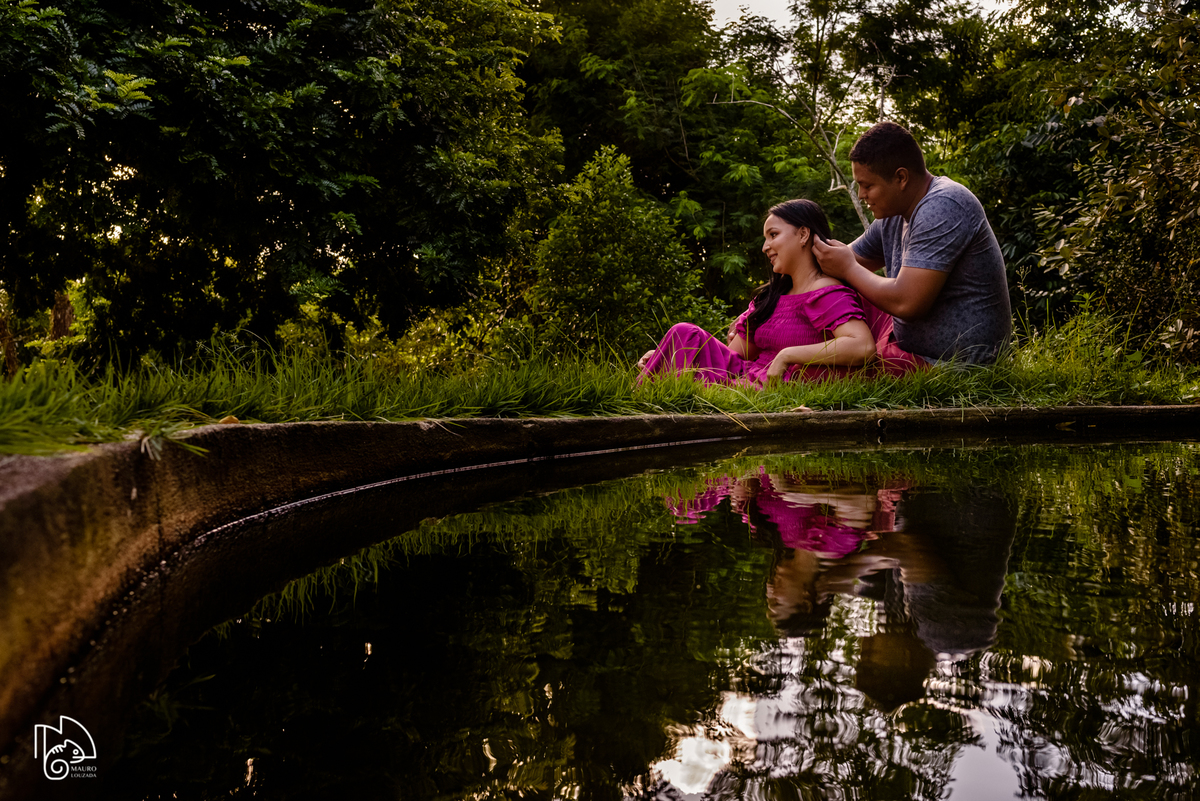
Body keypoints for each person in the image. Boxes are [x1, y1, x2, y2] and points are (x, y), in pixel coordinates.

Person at [812, 121, 1012, 374]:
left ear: (901, 177)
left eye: (868, 185)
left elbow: (908, 303)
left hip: (962, 367)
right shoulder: (893, 215)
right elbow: (838, 264)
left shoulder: (944, 204)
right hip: (911, 351)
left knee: (825, 370)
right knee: (831, 296)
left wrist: (848, 267)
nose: (861, 195)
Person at [638, 199, 875, 386]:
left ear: (803, 234)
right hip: (744, 379)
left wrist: (786, 356)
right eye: (765, 238)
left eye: (773, 235)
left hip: (772, 386)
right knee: (683, 334)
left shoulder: (826, 291)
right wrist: (669, 354)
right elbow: (732, 357)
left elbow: (862, 346)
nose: (765, 247)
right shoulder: (771, 298)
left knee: (682, 369)